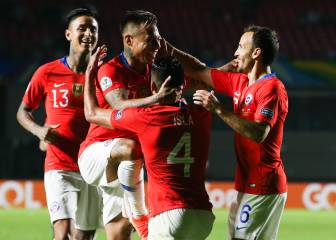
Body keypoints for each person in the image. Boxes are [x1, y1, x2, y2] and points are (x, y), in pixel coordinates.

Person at [162, 25, 288, 240]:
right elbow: (198, 69)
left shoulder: (272, 89)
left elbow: (259, 133)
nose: (235, 53)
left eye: (240, 46)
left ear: (256, 53)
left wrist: (218, 109)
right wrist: (163, 45)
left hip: (263, 183)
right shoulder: (240, 81)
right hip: (247, 182)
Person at [85, 46, 215, 240]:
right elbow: (206, 79)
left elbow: (92, 113)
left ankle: (138, 215)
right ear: (183, 85)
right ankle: (139, 219)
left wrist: (89, 73)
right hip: (203, 215)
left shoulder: (147, 117)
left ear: (153, 88)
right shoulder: (202, 114)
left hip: (169, 213)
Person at [78, 10, 173, 239]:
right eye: (150, 40)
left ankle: (136, 215)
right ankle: (140, 213)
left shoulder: (154, 71)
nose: (156, 46)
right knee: (131, 146)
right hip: (97, 154)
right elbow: (117, 103)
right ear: (129, 40)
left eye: (158, 40)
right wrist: (155, 99)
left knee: (119, 232)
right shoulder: (111, 69)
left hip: (127, 167)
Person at [16, 8, 101, 240]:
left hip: (92, 168)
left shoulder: (103, 76)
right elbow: (22, 112)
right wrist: (39, 131)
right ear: (68, 34)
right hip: (59, 165)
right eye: (81, 28)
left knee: (83, 237)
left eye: (92, 29)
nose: (88, 33)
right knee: (62, 233)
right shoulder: (47, 72)